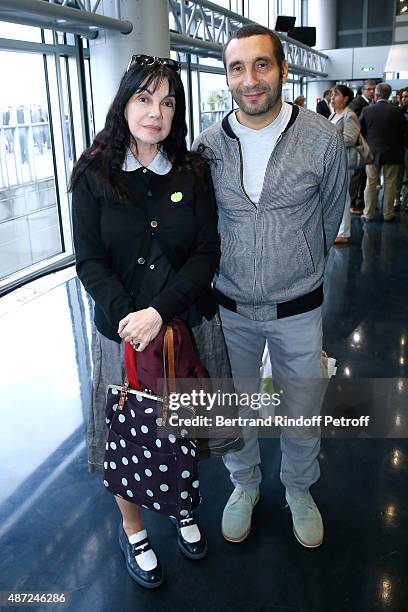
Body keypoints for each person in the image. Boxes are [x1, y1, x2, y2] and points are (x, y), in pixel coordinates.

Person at [70, 54, 227, 589]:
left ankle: (182, 506)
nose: (155, 112)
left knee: (181, 426)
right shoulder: (94, 174)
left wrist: (160, 312)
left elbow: (207, 252)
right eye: (144, 98)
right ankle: (134, 528)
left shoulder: (192, 169)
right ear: (124, 103)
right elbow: (88, 260)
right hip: (121, 336)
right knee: (128, 435)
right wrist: (129, 318)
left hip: (183, 327)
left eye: (167, 101)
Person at [194, 24, 346, 549]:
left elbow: (330, 214)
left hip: (298, 309)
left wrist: (299, 264)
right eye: (237, 68)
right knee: (233, 407)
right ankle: (245, 484)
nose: (250, 79)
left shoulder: (321, 138)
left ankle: (299, 489)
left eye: (261, 65)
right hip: (229, 307)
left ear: (282, 69)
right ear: (228, 77)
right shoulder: (209, 145)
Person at [360, 82, 407, 222]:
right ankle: (388, 213)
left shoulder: (367, 110)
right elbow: (403, 131)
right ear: (390, 95)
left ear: (376, 94)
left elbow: (360, 130)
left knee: (371, 183)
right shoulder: (398, 111)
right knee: (390, 183)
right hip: (393, 153)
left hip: (371, 152)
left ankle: (368, 213)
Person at [329, 85, 361, 244]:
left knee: (344, 197)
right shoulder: (334, 114)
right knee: (335, 196)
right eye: (332, 95)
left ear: (346, 98)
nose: (332, 98)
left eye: (336, 95)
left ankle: (344, 232)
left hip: (344, 161)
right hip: (334, 160)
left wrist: (329, 140)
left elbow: (350, 138)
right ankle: (336, 229)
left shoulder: (349, 115)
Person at [348, 80, 376, 214]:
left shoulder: (370, 104)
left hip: (367, 144)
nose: (372, 92)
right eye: (369, 89)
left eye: (373, 89)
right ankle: (353, 202)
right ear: (363, 90)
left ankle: (360, 201)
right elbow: (354, 125)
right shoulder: (358, 104)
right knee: (357, 175)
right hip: (359, 145)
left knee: (363, 176)